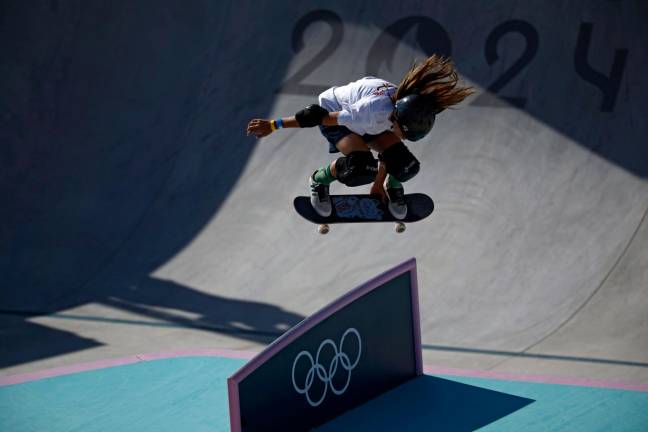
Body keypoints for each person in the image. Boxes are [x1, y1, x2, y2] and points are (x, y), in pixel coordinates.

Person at [246, 55, 474, 219]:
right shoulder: (367, 112)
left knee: (406, 165)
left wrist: (379, 186)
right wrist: (273, 125)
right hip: (336, 116)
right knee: (360, 168)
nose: (399, 136)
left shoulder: (407, 109)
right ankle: (319, 181)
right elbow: (314, 116)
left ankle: (394, 188)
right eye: (400, 132)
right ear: (396, 118)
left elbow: (389, 152)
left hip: (374, 121)